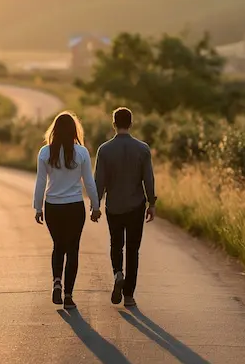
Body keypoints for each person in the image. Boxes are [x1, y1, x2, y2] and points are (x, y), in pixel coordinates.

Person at [33, 111, 100, 310]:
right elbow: (89, 182)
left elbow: (40, 182)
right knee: (73, 250)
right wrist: (95, 206)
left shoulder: (45, 152)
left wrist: (38, 207)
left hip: (53, 206)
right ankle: (68, 295)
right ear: (74, 130)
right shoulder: (81, 153)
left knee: (58, 246)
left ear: (54, 129)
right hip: (74, 207)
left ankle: (56, 282)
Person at [93, 107, 156, 308]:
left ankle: (117, 272)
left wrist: (96, 206)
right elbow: (148, 178)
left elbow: (99, 181)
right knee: (133, 249)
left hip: (114, 206)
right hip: (136, 205)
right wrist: (151, 203)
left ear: (114, 124)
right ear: (131, 123)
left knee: (116, 244)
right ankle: (129, 295)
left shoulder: (104, 150)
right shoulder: (143, 149)